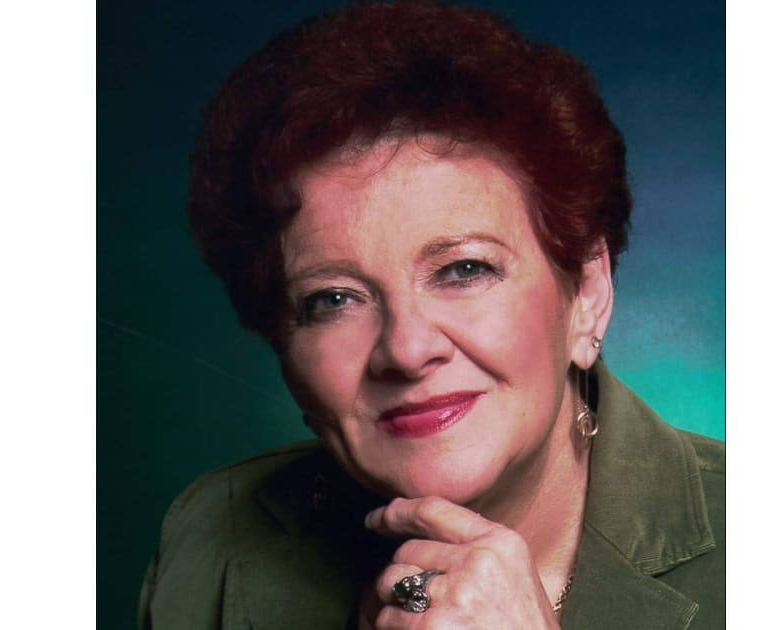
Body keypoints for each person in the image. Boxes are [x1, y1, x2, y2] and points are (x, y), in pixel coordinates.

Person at [137, 2, 724, 628]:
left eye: (464, 270)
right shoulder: (211, 536)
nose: (407, 349)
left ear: (586, 293)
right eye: (333, 299)